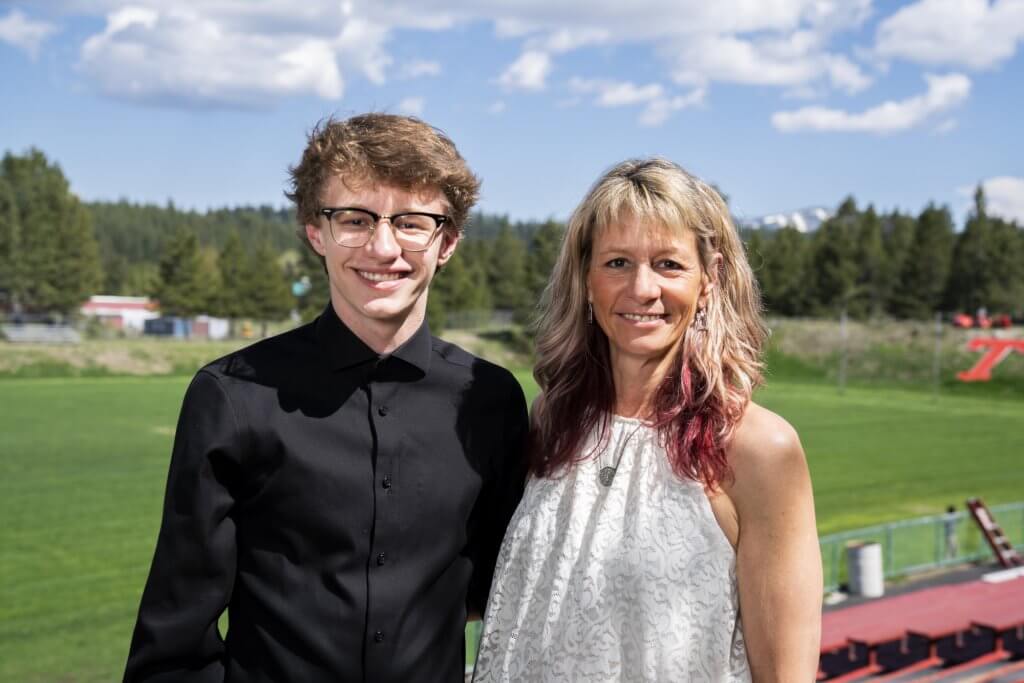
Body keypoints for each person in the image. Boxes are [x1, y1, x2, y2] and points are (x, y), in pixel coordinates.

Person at [124, 113, 529, 682]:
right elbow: (174, 640)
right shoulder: (232, 396)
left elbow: (502, 591)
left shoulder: (492, 400)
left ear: (448, 242)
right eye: (355, 219)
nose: (383, 246)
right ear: (315, 231)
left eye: (413, 222)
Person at [473, 158, 821, 682]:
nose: (642, 288)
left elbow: (784, 674)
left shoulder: (758, 448)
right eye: (617, 263)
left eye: (668, 264)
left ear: (710, 279)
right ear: (586, 279)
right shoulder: (553, 416)